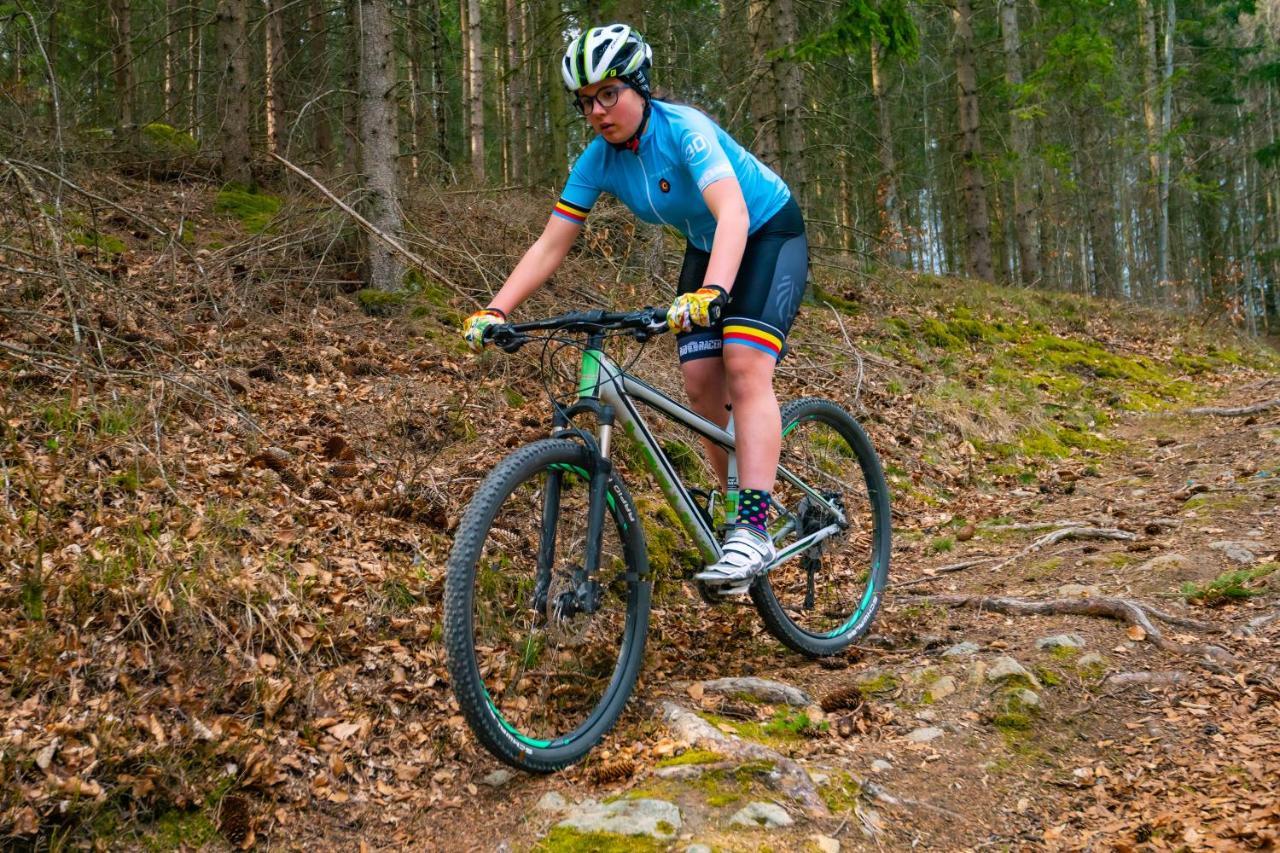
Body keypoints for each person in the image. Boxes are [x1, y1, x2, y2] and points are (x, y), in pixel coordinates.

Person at [461, 24, 808, 593]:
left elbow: (735, 216)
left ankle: (753, 527)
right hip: (707, 245)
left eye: (608, 93)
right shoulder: (596, 161)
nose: (597, 110)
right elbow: (551, 244)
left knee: (744, 366)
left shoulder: (686, 130)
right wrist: (496, 309)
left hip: (766, 232)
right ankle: (730, 512)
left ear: (639, 86)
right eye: (585, 101)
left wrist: (714, 292)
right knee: (699, 381)